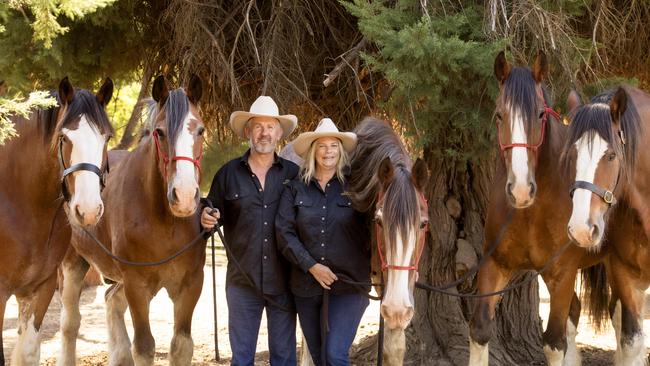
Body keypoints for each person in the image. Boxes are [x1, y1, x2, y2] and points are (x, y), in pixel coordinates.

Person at [201, 96, 299, 366]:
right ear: (248, 131)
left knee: (284, 358)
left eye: (270, 127)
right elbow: (209, 209)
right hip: (242, 283)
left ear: (279, 133)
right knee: (242, 359)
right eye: (258, 126)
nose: (264, 133)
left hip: (284, 282)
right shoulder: (227, 174)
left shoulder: (295, 175)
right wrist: (205, 217)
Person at [275, 118, 371, 366]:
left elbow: (379, 228)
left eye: (334, 145)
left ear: (340, 151)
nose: (328, 151)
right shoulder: (295, 189)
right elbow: (284, 233)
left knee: (335, 355)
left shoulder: (357, 188)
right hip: (306, 287)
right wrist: (312, 266)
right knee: (319, 357)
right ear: (313, 151)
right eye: (322, 146)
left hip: (348, 286)